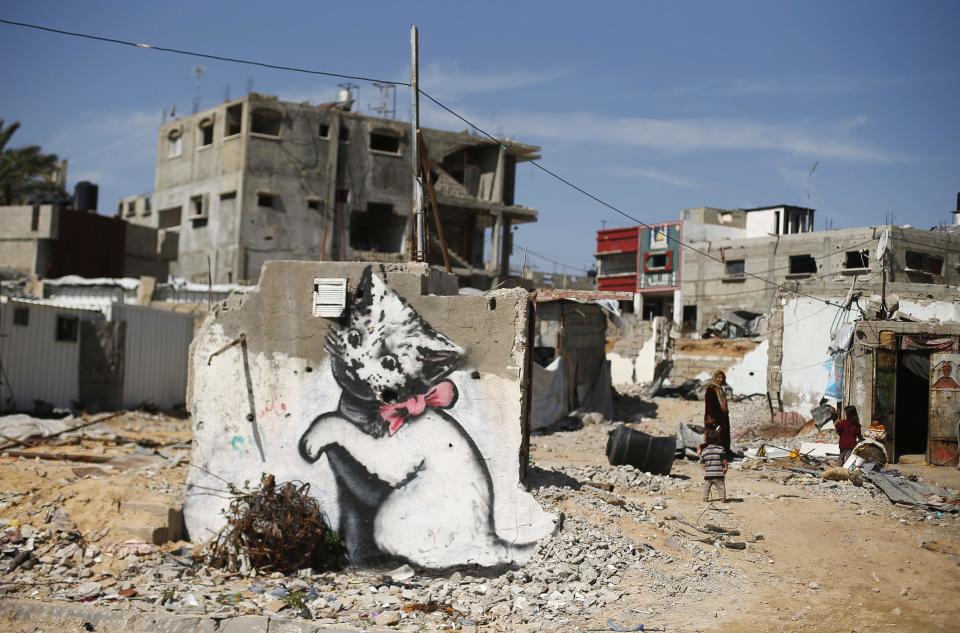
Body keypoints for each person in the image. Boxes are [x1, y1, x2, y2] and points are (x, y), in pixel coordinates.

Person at [704, 370, 731, 456]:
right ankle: (712, 456)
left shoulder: (720, 390)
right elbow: (709, 406)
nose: (720, 379)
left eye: (722, 378)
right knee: (714, 437)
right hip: (713, 418)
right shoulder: (711, 389)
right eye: (718, 377)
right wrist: (712, 420)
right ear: (715, 378)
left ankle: (723, 455)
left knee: (723, 436)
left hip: (722, 418)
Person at [699, 427, 728, 502]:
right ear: (718, 439)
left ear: (706, 440)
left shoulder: (704, 451)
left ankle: (705, 499)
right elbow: (724, 459)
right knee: (721, 488)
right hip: (718, 474)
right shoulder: (720, 449)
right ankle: (723, 500)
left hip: (708, 474)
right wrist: (725, 467)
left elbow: (702, 461)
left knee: (706, 488)